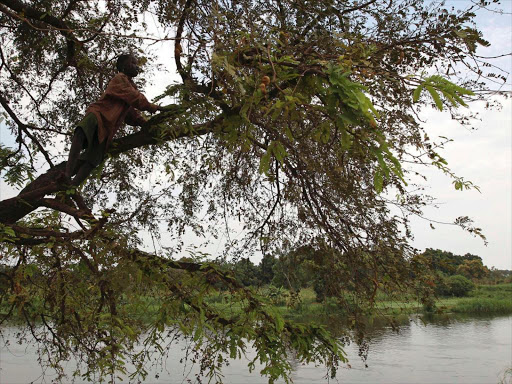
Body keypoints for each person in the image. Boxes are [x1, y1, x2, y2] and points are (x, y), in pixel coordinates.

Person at [65, 53, 165, 185]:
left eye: (137, 64)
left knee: (93, 159)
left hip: (108, 127)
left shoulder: (131, 87)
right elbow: (135, 97)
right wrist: (155, 107)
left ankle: (71, 187)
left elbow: (131, 115)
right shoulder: (120, 79)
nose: (136, 67)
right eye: (133, 63)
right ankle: (67, 174)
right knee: (81, 132)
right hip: (99, 113)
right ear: (123, 65)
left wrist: (146, 124)